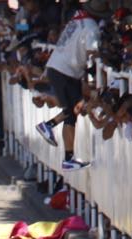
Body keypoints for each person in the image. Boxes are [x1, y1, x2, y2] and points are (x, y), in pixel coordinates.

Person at [33, 0, 112, 171]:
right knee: (75, 108)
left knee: (74, 110)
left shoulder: (76, 19)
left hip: (60, 68)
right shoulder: (92, 28)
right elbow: (93, 53)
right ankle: (48, 125)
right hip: (66, 71)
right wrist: (106, 61)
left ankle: (68, 157)